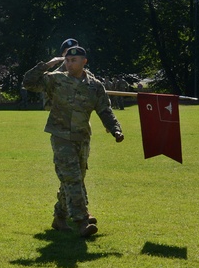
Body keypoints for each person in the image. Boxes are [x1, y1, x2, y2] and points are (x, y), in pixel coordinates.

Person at [22, 44, 123, 237]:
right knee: (72, 178)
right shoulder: (56, 80)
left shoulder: (94, 86)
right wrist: (47, 65)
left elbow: (105, 110)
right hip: (61, 137)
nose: (69, 64)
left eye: (73, 60)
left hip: (82, 137)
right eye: (67, 60)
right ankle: (81, 221)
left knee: (72, 179)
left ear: (84, 62)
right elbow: (28, 82)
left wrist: (115, 130)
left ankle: (60, 217)